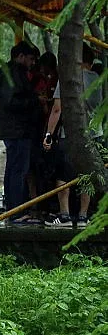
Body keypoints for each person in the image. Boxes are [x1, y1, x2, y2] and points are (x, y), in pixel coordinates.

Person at [43, 45, 100, 227]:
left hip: (71, 135)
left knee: (63, 175)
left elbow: (57, 109)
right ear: (89, 62)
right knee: (86, 175)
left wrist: (48, 134)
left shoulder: (68, 80)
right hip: (94, 135)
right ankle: (83, 216)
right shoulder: (98, 79)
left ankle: (65, 215)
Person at [0, 41, 40, 223]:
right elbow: (10, 102)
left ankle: (14, 208)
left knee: (13, 169)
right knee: (17, 170)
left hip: (13, 129)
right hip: (18, 129)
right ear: (20, 56)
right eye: (30, 59)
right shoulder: (13, 74)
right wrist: (34, 102)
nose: (32, 63)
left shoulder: (4, 73)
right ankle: (16, 211)